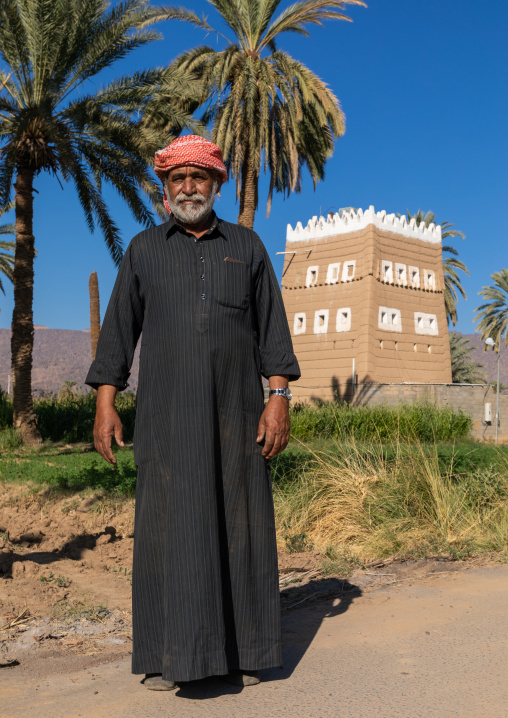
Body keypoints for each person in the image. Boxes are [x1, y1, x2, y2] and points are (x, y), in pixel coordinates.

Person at [85, 135, 300, 691]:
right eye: (177, 178)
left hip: (237, 417)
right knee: (170, 531)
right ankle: (165, 654)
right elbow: (117, 336)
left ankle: (248, 649)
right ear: (164, 187)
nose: (188, 187)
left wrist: (278, 400)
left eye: (198, 178)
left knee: (241, 526)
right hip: (167, 420)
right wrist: (106, 405)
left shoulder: (247, 248)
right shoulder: (143, 250)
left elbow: (273, 335)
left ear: (217, 184)